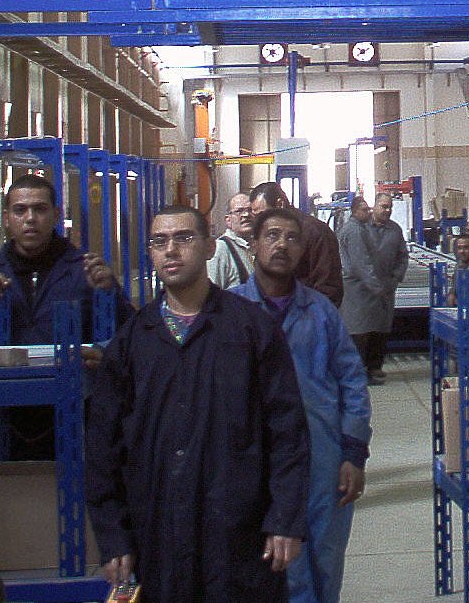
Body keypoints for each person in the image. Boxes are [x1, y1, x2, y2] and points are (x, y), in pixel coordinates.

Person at [86, 207, 310, 603]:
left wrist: (285, 519)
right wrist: (113, 536)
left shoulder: (251, 329)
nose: (171, 250)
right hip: (158, 536)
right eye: (160, 241)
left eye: (184, 238)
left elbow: (288, 432)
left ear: (209, 247)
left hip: (241, 535)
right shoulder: (133, 342)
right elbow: (104, 447)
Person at [235, 207, 371, 603]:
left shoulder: (321, 312)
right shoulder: (231, 311)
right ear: (254, 245)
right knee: (271, 563)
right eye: (272, 235)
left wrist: (353, 453)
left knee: (324, 557)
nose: (282, 245)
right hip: (254, 459)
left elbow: (352, 382)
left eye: (292, 238)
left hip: (322, 458)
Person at [0, 172, 124, 458]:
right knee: (4, 482)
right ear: (7, 218)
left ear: (55, 215)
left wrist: (109, 295)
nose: (30, 218)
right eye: (20, 210)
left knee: (76, 480)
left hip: (75, 414)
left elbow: (128, 334)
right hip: (2, 417)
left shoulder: (85, 271)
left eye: (40, 209)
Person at [338, 193, 408, 384]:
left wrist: (395, 278)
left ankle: (375, 367)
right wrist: (377, 286)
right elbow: (361, 263)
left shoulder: (395, 230)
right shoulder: (359, 229)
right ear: (374, 206)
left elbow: (403, 256)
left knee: (381, 330)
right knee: (360, 332)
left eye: (390, 207)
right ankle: (359, 373)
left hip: (385, 287)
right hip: (360, 290)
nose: (387, 210)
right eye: (383, 206)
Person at [248, 182, 344, 304]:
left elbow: (328, 287)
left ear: (280, 204)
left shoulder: (316, 232)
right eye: (255, 216)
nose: (259, 220)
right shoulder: (264, 233)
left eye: (262, 214)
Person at [209, 192, 255, 288]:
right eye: (239, 211)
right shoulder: (221, 248)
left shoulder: (255, 247)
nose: (246, 214)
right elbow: (211, 290)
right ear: (228, 220)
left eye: (250, 210)